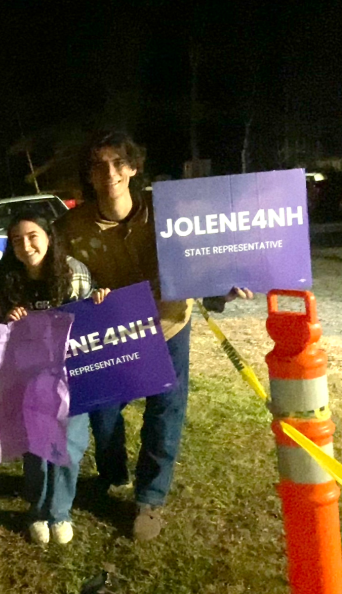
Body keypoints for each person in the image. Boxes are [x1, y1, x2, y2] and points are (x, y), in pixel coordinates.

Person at [53, 131, 253, 541]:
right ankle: (113, 473)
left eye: (116, 162)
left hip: (169, 324)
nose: (108, 172)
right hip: (112, 332)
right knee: (104, 412)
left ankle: (150, 498)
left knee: (165, 413)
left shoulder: (168, 215)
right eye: (98, 164)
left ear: (133, 168)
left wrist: (222, 288)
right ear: (89, 175)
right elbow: (51, 274)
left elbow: (200, 260)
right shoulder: (70, 227)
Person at [0, 210, 109, 546]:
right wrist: (7, 316)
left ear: (48, 238)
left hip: (73, 375)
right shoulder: (7, 280)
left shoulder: (74, 273)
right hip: (29, 378)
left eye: (32, 236)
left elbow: (92, 319)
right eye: (16, 240)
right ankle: (37, 509)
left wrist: (99, 300)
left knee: (70, 443)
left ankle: (61, 511)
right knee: (37, 444)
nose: (26, 246)